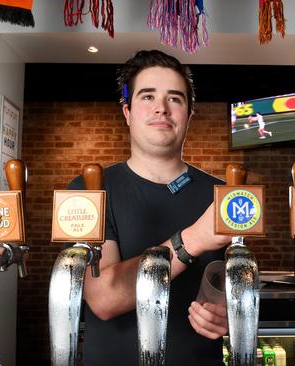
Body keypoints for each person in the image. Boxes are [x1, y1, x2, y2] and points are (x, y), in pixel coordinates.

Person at [68, 50, 232, 365]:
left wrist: (228, 315)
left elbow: (228, 280)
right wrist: (194, 239)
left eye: (175, 98)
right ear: (127, 112)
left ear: (189, 114)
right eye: (147, 96)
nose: (161, 107)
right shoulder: (91, 189)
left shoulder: (224, 195)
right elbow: (104, 296)